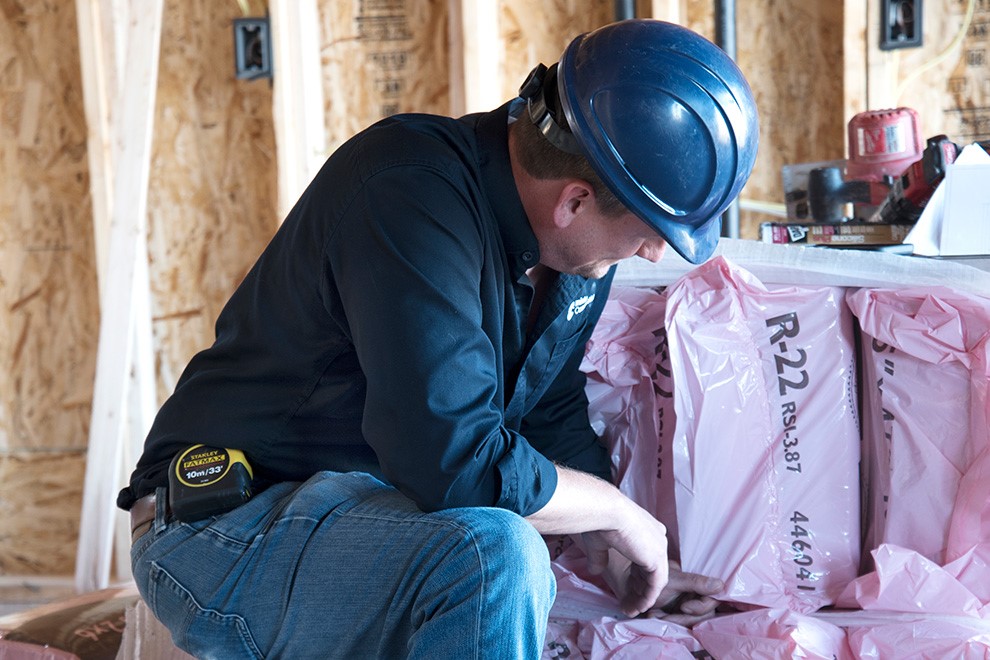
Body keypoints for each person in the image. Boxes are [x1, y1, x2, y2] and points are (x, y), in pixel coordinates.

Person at [119, 18, 759, 659]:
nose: (653, 254)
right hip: (229, 528)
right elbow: (453, 463)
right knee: (493, 559)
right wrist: (620, 512)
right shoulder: (409, 191)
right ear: (574, 201)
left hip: (369, 519)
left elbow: (549, 410)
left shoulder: (566, 257)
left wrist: (608, 548)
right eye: (653, 232)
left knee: (504, 554)